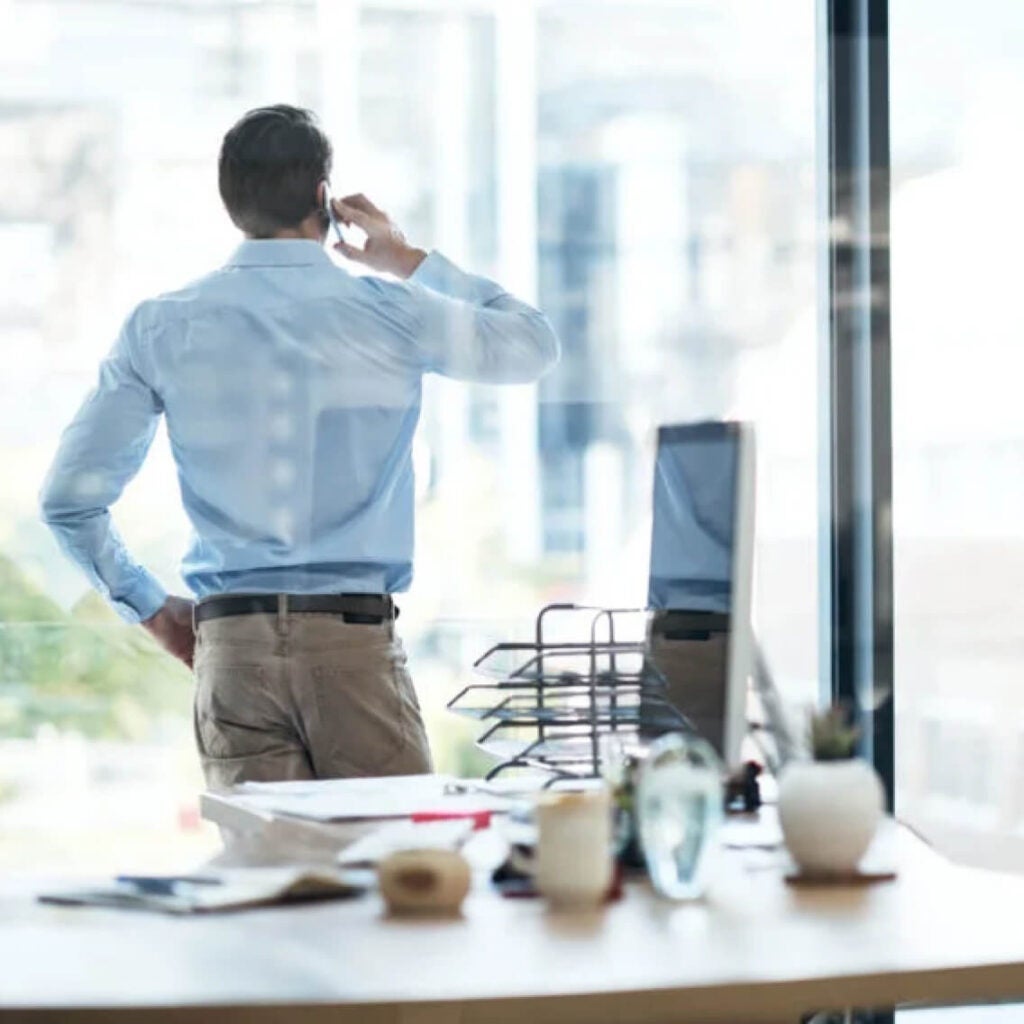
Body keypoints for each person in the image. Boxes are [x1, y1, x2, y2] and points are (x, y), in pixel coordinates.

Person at [39, 104, 559, 790]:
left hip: (231, 651)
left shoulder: (162, 326)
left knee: (270, 885)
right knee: (392, 877)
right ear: (325, 198)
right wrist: (404, 259)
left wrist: (153, 609)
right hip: (352, 646)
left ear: (232, 205)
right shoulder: (390, 311)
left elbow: (69, 502)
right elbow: (531, 346)